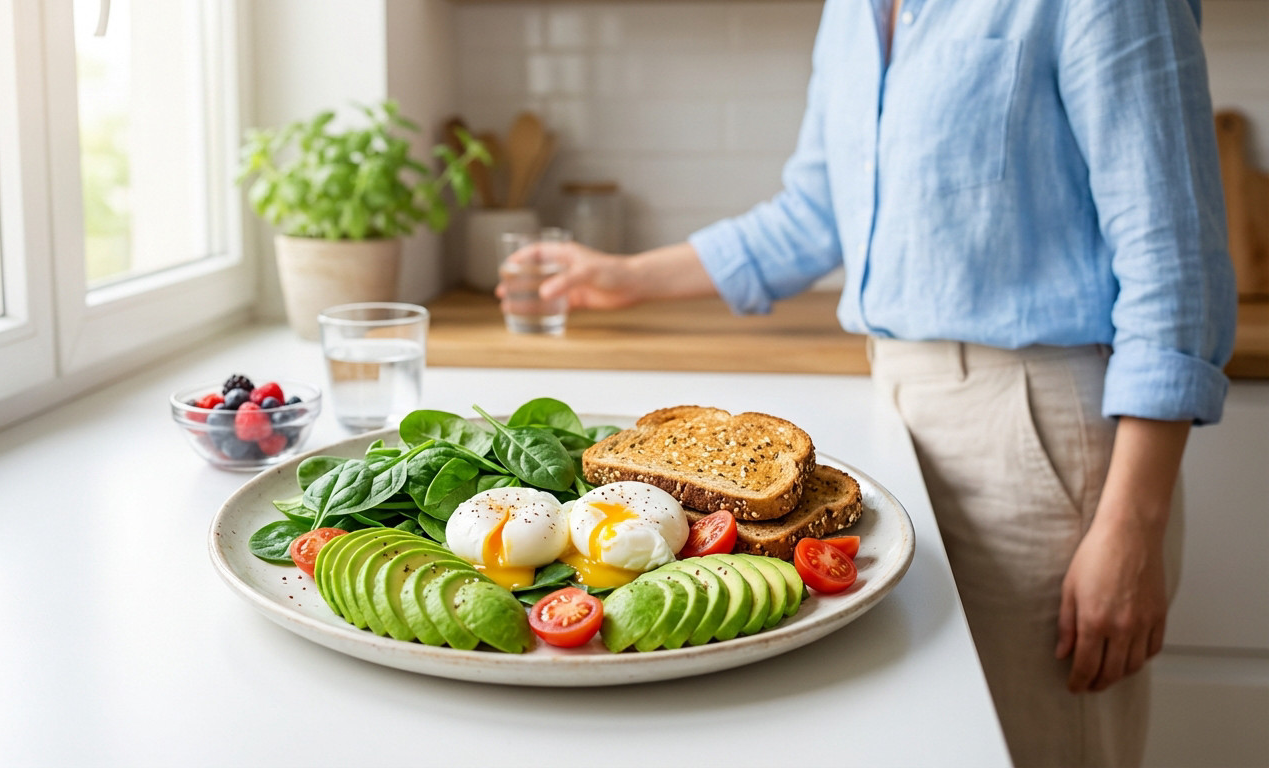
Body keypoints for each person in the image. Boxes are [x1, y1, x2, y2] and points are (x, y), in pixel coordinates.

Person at [500, 1, 1237, 766]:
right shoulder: (856, 8)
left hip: (1035, 430)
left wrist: (1132, 528)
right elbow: (817, 212)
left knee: (1046, 745)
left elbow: (1174, 268)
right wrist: (625, 277)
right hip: (893, 409)